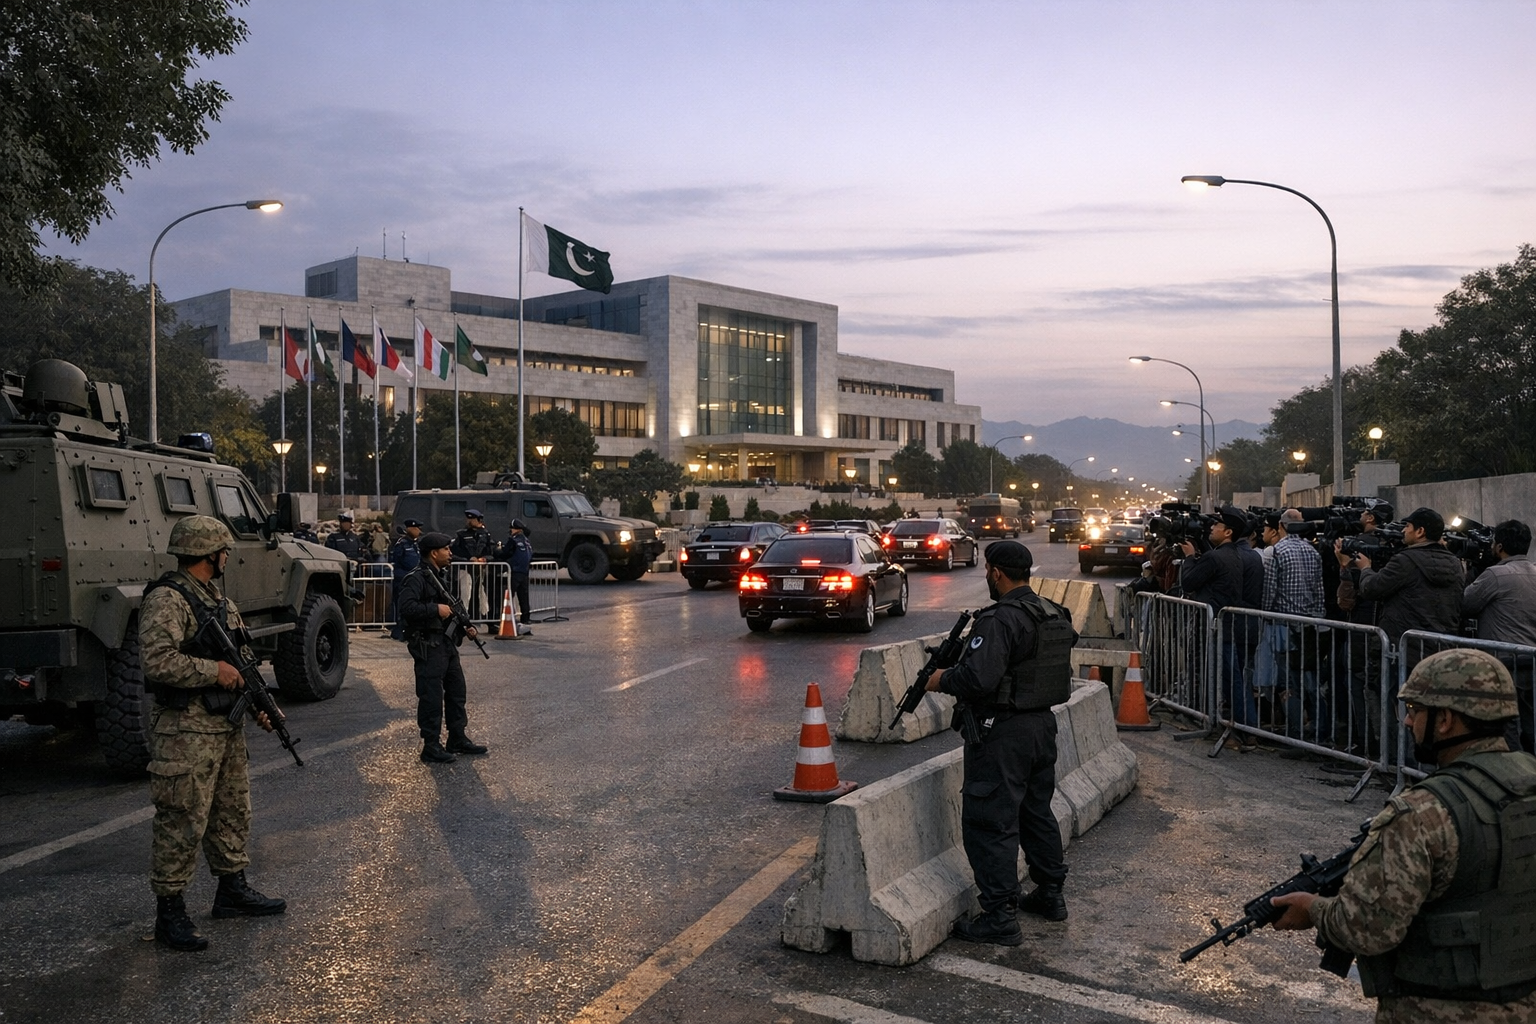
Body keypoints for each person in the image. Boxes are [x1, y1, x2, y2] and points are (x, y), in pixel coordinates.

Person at [1272, 648, 1536, 1022]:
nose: (1408, 721)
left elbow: (1365, 928)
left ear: (1445, 720)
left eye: (1414, 709)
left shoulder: (1421, 813)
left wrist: (1312, 908)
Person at [138, 515, 286, 952]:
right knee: (182, 818)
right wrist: (211, 670)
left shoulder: (219, 601)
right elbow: (156, 661)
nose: (226, 558)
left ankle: (232, 890)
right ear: (209, 553)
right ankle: (170, 913)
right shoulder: (168, 599)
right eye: (224, 551)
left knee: (231, 810)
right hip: (185, 729)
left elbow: (242, 661)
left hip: (225, 726)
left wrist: (262, 706)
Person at [924, 540, 1077, 945]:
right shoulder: (1053, 611)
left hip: (1002, 732)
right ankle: (1050, 894)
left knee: (990, 820)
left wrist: (941, 679)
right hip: (1041, 727)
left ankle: (1000, 916)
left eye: (987, 571)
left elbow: (978, 679)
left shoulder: (999, 619)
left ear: (996, 572)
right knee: (1035, 812)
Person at [396, 531, 488, 764]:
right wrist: (435, 609)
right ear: (434, 553)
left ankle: (457, 738)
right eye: (446, 549)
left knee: (457, 692)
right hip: (428, 643)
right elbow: (406, 607)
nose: (450, 553)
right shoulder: (416, 578)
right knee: (431, 697)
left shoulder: (440, 577)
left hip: (445, 644)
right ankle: (431, 745)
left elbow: (452, 609)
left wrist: (465, 627)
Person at [1180, 508, 1260, 739]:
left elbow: (1188, 583)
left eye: (1216, 525)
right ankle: (1241, 727)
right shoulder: (1233, 555)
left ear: (1228, 532)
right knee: (1231, 678)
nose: (1211, 528)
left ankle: (1245, 730)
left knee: (1230, 679)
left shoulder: (1215, 558)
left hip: (1217, 627)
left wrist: (1189, 558)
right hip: (1227, 626)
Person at [1352, 507, 1464, 669]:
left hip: (1405, 653)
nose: (1403, 531)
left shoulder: (1405, 561)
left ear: (1420, 531)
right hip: (1441, 650)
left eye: (1407, 526)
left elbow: (1371, 589)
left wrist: (1365, 568)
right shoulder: (1455, 562)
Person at [1461, 519, 1536, 752]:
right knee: (1530, 722)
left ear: (1500, 546)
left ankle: (1513, 766)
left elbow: (1466, 603)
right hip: (1531, 658)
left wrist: (1469, 571)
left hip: (1504, 661)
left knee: (1506, 721)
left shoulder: (1495, 575)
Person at [1266, 509, 1329, 745]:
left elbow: (1270, 590)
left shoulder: (1277, 551)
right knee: (1311, 680)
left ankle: (1295, 734)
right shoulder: (1312, 551)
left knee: (1288, 682)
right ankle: (1321, 730)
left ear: (1280, 526)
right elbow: (1319, 590)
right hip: (1309, 626)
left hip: (1283, 626)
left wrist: (1264, 616)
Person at [452, 508, 496, 625]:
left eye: (472, 519)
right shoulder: (461, 535)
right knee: (465, 594)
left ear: (478, 520)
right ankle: (464, 618)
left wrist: (485, 559)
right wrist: (468, 560)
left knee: (481, 595)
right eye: (468, 518)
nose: (469, 521)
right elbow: (453, 553)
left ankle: (481, 618)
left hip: (480, 571)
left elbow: (492, 552)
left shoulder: (485, 534)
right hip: (465, 569)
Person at [388, 518, 424, 641]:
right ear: (410, 529)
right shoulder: (401, 544)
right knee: (400, 605)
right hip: (402, 579)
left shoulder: (416, 544)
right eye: (417, 528)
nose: (419, 531)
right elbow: (397, 561)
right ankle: (398, 631)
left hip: (413, 579)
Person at [497, 518, 536, 629]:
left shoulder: (513, 540)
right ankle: (526, 619)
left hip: (514, 571)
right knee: (524, 596)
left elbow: (505, 553)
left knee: (509, 596)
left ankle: (507, 618)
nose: (510, 531)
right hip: (524, 572)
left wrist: (498, 550)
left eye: (511, 529)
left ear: (515, 529)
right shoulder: (526, 541)